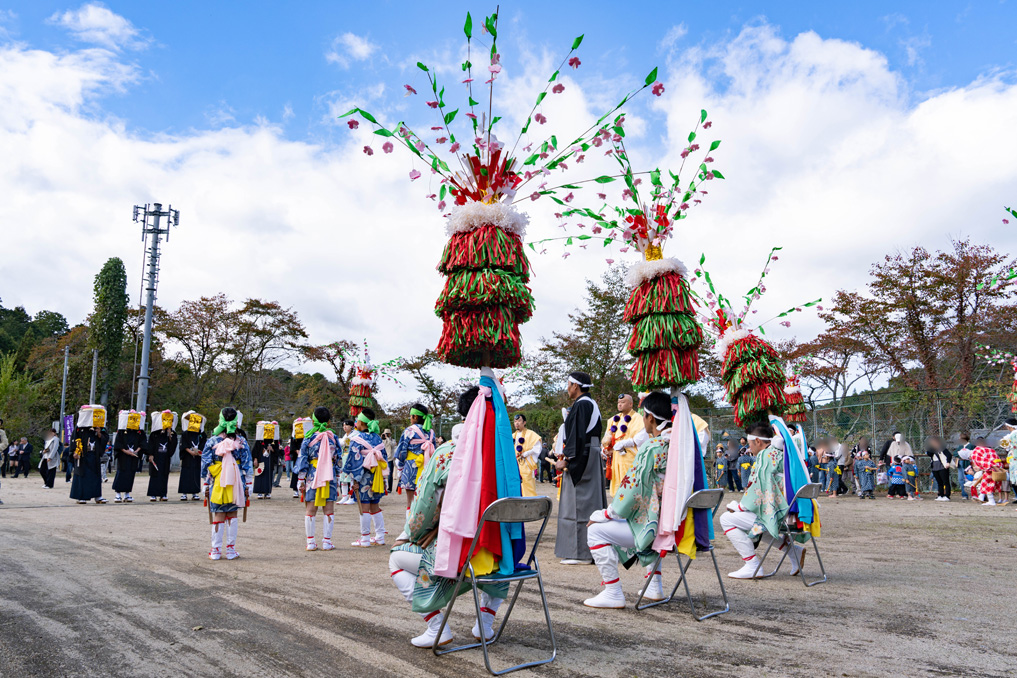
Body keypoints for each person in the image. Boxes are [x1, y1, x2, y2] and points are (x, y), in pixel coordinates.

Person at [388, 377, 525, 648]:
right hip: (502, 559)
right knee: (502, 541)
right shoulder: (505, 455)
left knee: (395, 559)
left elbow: (423, 507)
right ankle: (485, 622)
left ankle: (437, 626)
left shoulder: (445, 453)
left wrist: (413, 534)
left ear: (465, 414)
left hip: (461, 558)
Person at [583, 391, 710, 608]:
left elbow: (631, 492)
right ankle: (654, 586)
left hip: (658, 529)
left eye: (643, 415)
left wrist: (605, 514)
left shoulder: (653, 447)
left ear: (650, 418)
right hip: (680, 524)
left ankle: (613, 592)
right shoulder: (684, 446)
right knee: (642, 518)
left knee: (595, 530)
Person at [719, 422, 807, 579]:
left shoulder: (765, 457)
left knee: (726, 519)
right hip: (794, 512)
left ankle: (752, 565)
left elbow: (757, 492)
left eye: (749, 443)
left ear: (757, 441)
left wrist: (740, 507)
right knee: (758, 524)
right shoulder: (781, 453)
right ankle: (793, 551)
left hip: (781, 514)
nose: (748, 447)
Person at [554, 371, 606, 565]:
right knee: (588, 503)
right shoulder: (588, 403)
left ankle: (581, 552)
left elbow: (577, 435)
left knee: (580, 503)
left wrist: (567, 459)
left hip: (583, 456)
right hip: (589, 453)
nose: (567, 388)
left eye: (569, 384)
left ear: (575, 385)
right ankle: (590, 549)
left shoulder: (583, 404)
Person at [201, 407, 253, 560]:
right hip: (237, 479)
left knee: (218, 513)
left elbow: (206, 464)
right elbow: (247, 464)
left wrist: (205, 484)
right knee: (232, 513)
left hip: (217, 479)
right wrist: (248, 484)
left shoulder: (212, 440)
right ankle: (230, 550)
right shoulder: (241, 441)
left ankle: (216, 550)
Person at [295, 407, 342, 551]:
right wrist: (338, 477)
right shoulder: (333, 437)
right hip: (329, 474)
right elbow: (338, 459)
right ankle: (327, 542)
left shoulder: (308, 437)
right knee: (329, 507)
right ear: (328, 421)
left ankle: (310, 542)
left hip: (312, 473)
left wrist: (300, 479)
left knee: (311, 508)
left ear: (313, 420)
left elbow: (303, 459)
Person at [343, 408, 388, 547]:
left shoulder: (357, 439)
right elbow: (384, 457)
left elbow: (355, 460)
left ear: (361, 422)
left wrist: (355, 480)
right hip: (377, 476)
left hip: (363, 476)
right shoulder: (377, 438)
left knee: (364, 506)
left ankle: (365, 538)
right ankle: (380, 536)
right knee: (375, 505)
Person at [395, 403, 436, 513]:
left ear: (415, 416)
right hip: (427, 468)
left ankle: (409, 527)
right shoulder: (431, 432)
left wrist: (400, 467)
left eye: (411, 416)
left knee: (410, 501)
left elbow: (401, 451)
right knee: (424, 500)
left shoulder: (409, 431)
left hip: (411, 468)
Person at [602, 393, 645, 497]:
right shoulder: (613, 420)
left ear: (630, 404)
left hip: (630, 458)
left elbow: (640, 439)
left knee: (630, 487)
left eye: (623, 402)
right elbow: (607, 437)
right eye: (618, 402)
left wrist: (623, 443)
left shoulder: (638, 419)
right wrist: (606, 448)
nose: (619, 404)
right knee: (617, 487)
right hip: (616, 459)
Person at [69, 405, 109, 504]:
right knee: (82, 475)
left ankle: (97, 496)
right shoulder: (80, 427)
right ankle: (81, 497)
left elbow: (105, 438)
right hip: (83, 455)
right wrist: (74, 451)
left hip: (94, 454)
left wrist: (99, 433)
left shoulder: (100, 427)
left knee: (95, 475)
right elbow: (74, 440)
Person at [112, 410, 146, 503]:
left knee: (131, 474)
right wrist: (126, 451)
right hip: (123, 456)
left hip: (134, 455)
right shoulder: (122, 431)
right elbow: (118, 444)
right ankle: (118, 494)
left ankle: (127, 494)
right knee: (121, 473)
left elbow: (143, 443)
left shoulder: (139, 432)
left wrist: (136, 451)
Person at [147, 410, 178, 502]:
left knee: (164, 475)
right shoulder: (154, 433)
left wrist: (169, 434)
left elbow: (173, 444)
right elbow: (151, 444)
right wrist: (150, 454)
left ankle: (163, 494)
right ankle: (153, 494)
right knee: (154, 474)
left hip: (165, 458)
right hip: (156, 456)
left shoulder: (172, 433)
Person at [178, 411, 207, 501]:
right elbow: (183, 445)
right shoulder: (185, 433)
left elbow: (203, 445)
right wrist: (190, 451)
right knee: (186, 473)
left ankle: (195, 492)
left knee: (196, 473)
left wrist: (198, 452)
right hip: (187, 456)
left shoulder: (202, 434)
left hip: (197, 457)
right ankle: (184, 493)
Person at [513, 413, 542, 497]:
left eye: (519, 421)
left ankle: (531, 503)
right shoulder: (512, 436)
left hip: (527, 463)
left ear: (524, 422)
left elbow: (537, 448)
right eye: (515, 421)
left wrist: (526, 453)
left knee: (528, 486)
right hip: (516, 464)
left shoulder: (531, 434)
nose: (517, 423)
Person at [251, 421, 280, 499]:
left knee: (269, 475)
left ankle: (267, 492)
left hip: (269, 460)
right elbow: (255, 450)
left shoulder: (275, 440)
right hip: (260, 459)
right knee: (260, 474)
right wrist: (255, 459)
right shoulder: (259, 440)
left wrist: (272, 449)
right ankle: (259, 492)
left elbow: (278, 451)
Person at [289, 417, 311, 500]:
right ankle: (296, 490)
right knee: (297, 471)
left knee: (307, 472)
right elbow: (292, 444)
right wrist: (296, 450)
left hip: (306, 455)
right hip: (297, 455)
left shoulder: (308, 434)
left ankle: (307, 488)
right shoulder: (294, 435)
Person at [926, 436, 952, 501]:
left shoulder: (943, 448)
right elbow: (929, 454)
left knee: (945, 481)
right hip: (935, 466)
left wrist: (948, 462)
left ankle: (947, 496)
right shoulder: (932, 449)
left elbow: (949, 455)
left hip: (943, 465)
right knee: (939, 482)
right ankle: (940, 494)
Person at [336, 419, 355, 504]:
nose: (345, 427)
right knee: (343, 478)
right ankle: (344, 496)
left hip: (351, 457)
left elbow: (343, 443)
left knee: (351, 478)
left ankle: (352, 497)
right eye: (343, 425)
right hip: (344, 457)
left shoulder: (355, 434)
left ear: (351, 426)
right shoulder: (345, 435)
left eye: (346, 425)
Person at [956, 432, 974, 500]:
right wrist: (960, 456)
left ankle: (971, 494)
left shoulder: (971, 446)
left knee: (968, 479)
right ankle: (964, 494)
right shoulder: (960, 446)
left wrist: (967, 456)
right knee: (961, 479)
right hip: (960, 463)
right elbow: (955, 453)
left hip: (967, 463)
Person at [382, 429, 397, 494]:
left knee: (390, 474)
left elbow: (392, 444)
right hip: (384, 458)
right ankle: (383, 488)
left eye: (388, 433)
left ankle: (389, 488)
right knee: (383, 474)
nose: (387, 435)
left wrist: (387, 438)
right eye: (386, 433)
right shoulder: (383, 440)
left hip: (390, 459)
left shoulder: (392, 440)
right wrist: (383, 438)